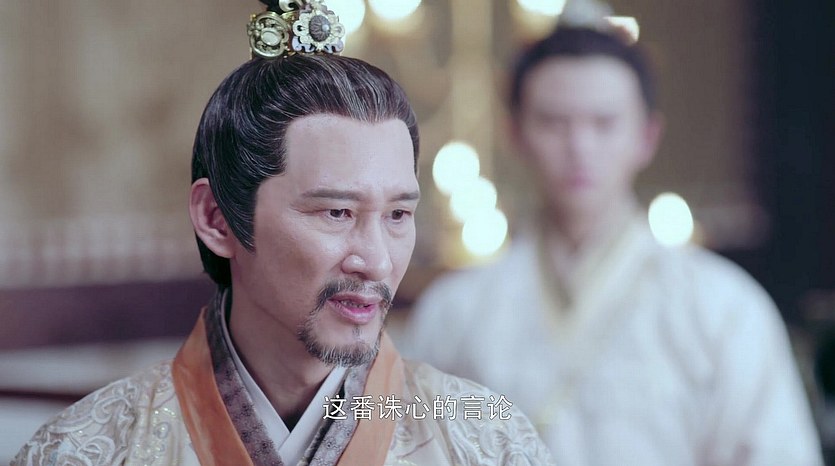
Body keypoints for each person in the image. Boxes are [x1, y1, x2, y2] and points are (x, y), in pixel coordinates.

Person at [12, 2, 554, 465]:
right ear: (216, 218)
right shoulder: (86, 450)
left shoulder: (488, 442)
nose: (376, 261)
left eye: (397, 216)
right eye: (336, 213)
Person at [403, 24, 823, 465]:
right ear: (516, 134)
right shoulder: (455, 311)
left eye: (604, 123)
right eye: (553, 123)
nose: (579, 147)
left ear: (647, 136)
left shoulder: (723, 307)